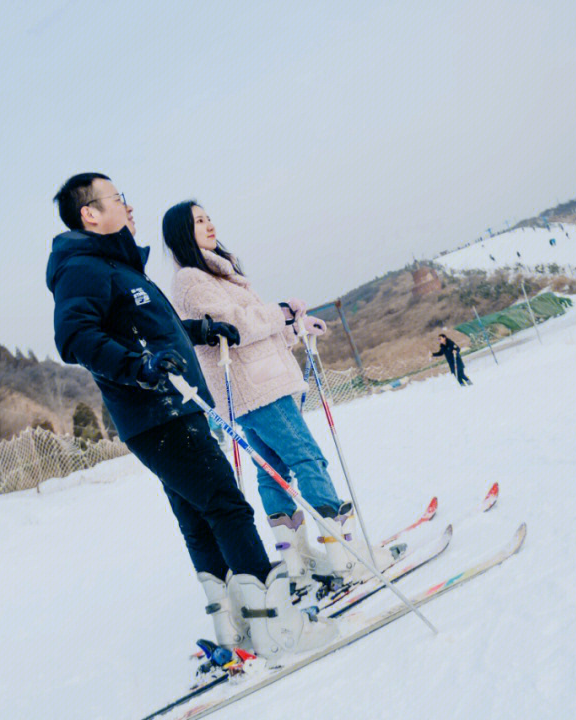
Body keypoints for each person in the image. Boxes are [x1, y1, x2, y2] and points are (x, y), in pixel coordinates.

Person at [47, 175, 333, 658]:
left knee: (200, 517)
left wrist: (198, 329)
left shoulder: (118, 267)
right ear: (90, 214)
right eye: (117, 199)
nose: (129, 206)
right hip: (159, 412)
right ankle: (277, 628)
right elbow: (74, 337)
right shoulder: (84, 267)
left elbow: (152, 328)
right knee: (227, 506)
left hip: (169, 410)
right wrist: (140, 368)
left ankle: (236, 626)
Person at [163, 200, 394, 594]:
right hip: (256, 387)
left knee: (274, 471)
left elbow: (256, 335)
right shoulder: (192, 279)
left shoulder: (220, 271)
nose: (209, 224)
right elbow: (236, 327)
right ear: (183, 233)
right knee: (308, 458)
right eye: (198, 221)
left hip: (260, 379)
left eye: (209, 217)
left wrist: (294, 328)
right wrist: (282, 310)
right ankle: (345, 555)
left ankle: (297, 560)